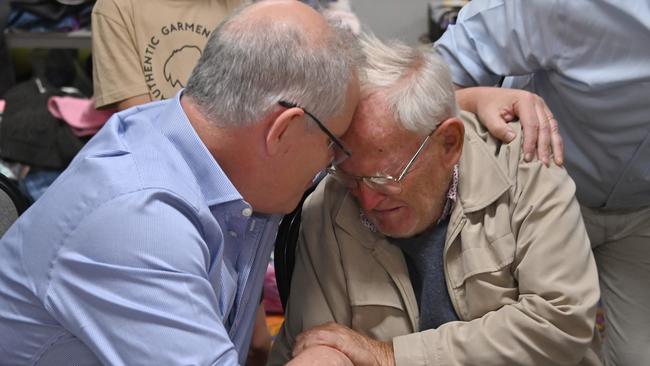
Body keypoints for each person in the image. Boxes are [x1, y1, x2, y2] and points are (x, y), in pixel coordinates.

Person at [0, 1, 360, 364]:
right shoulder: (139, 220)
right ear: (282, 132)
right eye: (333, 143)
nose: (332, 163)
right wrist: (331, 357)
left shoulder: (225, 159)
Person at [269, 34, 602, 366]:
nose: (367, 200)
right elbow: (316, 345)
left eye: (384, 178)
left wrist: (391, 357)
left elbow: (560, 321)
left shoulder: (526, 165)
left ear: (449, 144)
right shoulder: (328, 206)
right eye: (351, 175)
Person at [434, 1, 650, 364]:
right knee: (516, 345)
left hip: (639, 214)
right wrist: (475, 99)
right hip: (542, 195)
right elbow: (433, 85)